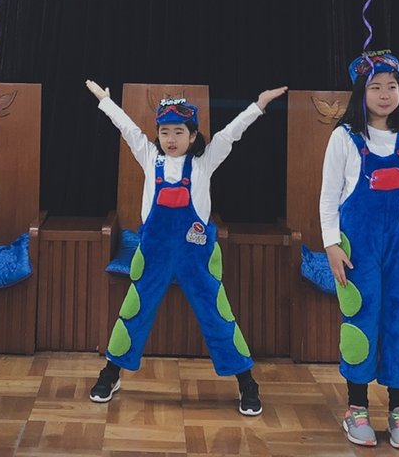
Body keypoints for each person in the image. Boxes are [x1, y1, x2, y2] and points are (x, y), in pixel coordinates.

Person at [86, 79, 287, 417]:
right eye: (165, 132)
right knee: (133, 311)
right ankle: (111, 373)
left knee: (218, 316)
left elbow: (231, 133)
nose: (171, 139)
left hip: (197, 256)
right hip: (154, 253)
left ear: (192, 136)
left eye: (179, 132)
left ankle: (246, 382)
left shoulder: (205, 161)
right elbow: (127, 128)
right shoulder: (149, 157)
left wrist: (259, 104)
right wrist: (105, 100)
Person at [319, 49, 399, 450]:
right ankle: (356, 407)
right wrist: (331, 244)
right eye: (375, 87)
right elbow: (328, 197)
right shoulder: (344, 138)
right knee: (361, 320)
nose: (385, 94)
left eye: (392, 86)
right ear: (361, 92)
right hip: (357, 251)